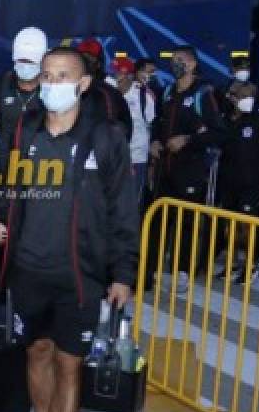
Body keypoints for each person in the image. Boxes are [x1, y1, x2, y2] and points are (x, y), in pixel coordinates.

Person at [0, 47, 138, 412]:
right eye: (46, 75)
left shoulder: (105, 137)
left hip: (80, 278)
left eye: (62, 76)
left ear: (83, 84)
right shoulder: (25, 131)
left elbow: (124, 209)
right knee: (38, 353)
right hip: (29, 271)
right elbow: (12, 190)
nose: (51, 83)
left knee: (69, 365)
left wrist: (123, 272)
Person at [149, 45, 226, 293]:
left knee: (187, 224)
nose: (175, 64)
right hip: (165, 169)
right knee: (159, 220)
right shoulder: (168, 92)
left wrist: (188, 140)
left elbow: (218, 133)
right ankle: (152, 270)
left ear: (192, 64)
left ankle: (182, 272)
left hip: (190, 170)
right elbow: (158, 122)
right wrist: (155, 140)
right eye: (173, 60)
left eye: (180, 60)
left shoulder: (203, 93)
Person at [217, 82, 259, 280]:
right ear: (233, 98)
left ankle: (250, 264)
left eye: (250, 96)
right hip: (228, 181)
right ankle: (232, 262)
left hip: (251, 183)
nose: (247, 100)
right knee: (230, 224)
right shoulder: (226, 119)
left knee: (247, 225)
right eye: (242, 96)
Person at [0, 27, 45, 181]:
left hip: (42, 170)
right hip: (4, 168)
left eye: (30, 61)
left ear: (42, 60)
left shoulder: (51, 89)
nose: (25, 65)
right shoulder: (0, 85)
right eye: (21, 60)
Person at [115, 56, 156, 204]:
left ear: (129, 75)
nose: (116, 77)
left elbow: (153, 125)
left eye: (120, 73)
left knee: (132, 203)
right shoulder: (108, 93)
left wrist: (151, 162)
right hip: (112, 158)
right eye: (114, 73)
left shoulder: (144, 96)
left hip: (136, 158)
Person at [74, 38, 132, 135]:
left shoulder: (110, 87)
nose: (85, 63)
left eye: (90, 58)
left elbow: (124, 122)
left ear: (98, 63)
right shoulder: (66, 84)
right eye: (82, 58)